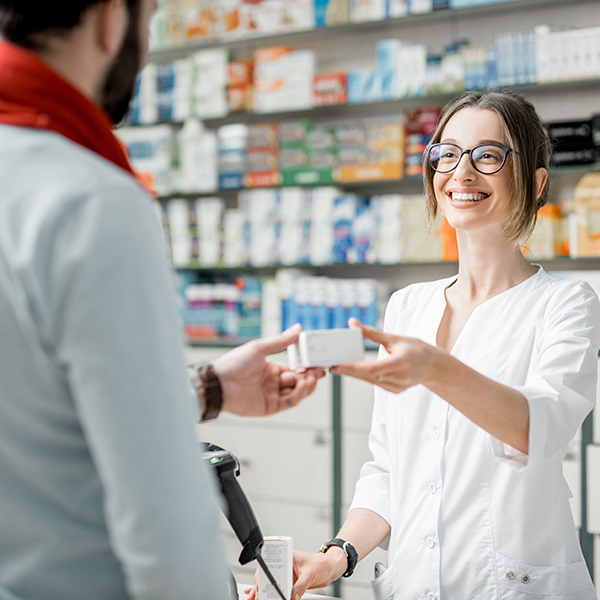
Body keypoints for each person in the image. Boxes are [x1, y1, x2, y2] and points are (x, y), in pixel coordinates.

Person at [0, 1, 325, 599]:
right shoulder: (89, 199)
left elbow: (33, 409)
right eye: (148, 15)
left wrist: (209, 389)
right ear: (109, 19)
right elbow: (162, 520)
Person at [248, 90, 600, 600]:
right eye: (447, 153)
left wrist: (436, 370)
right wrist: (335, 556)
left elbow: (537, 429)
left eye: (487, 155)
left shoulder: (566, 303)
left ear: (536, 181)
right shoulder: (408, 306)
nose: (462, 172)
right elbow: (390, 469)